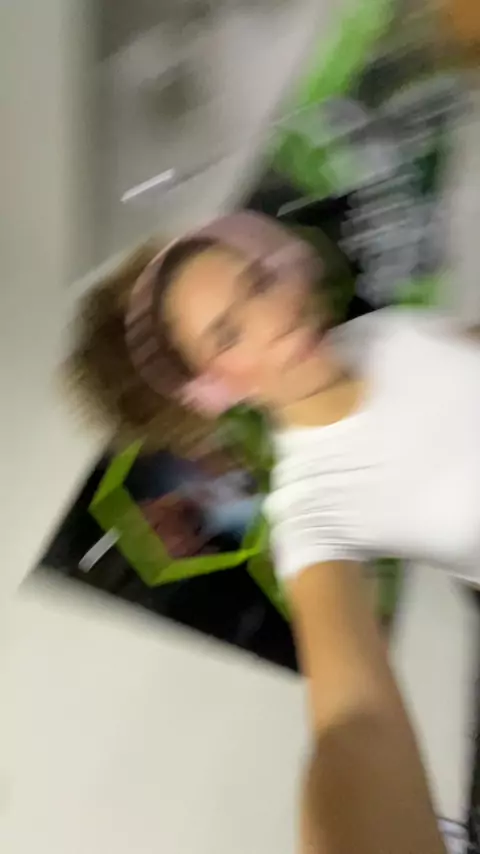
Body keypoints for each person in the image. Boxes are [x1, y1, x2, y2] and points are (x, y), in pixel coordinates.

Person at [70, 209, 480, 853]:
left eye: (260, 282)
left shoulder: (377, 333)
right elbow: (354, 723)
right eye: (229, 334)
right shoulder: (312, 509)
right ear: (208, 390)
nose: (277, 316)